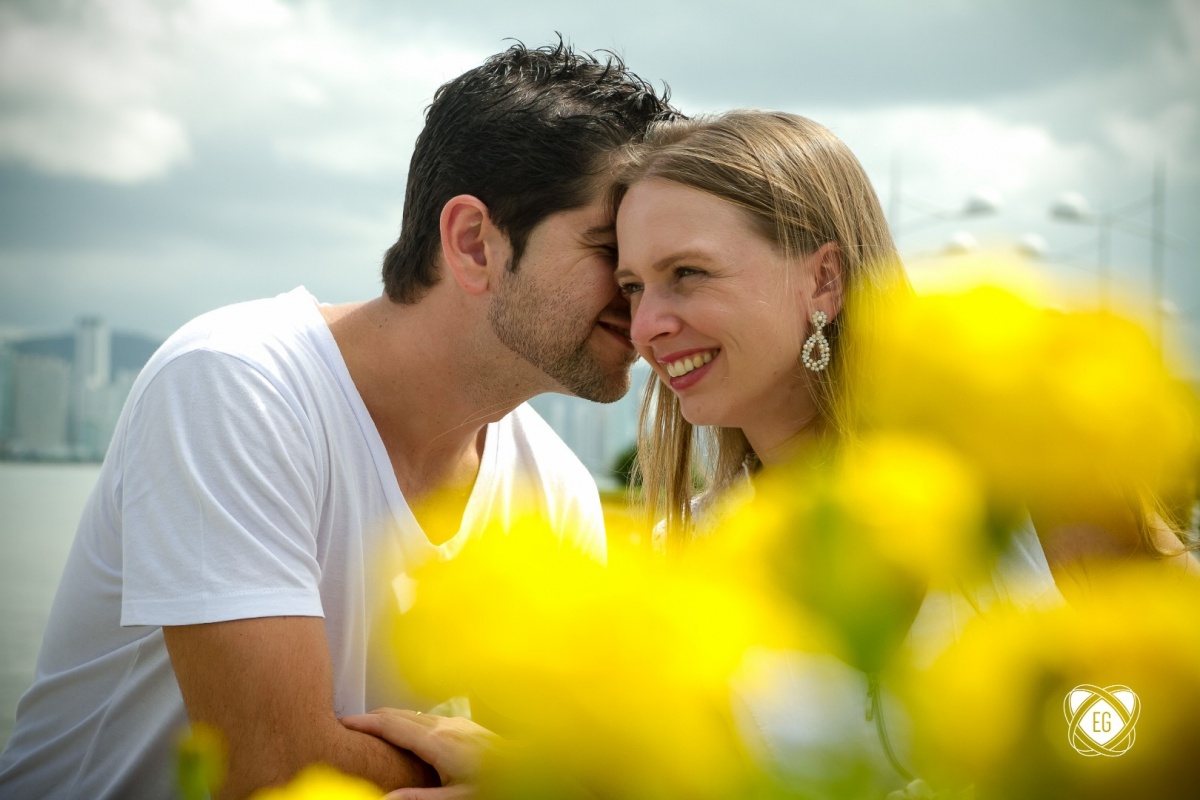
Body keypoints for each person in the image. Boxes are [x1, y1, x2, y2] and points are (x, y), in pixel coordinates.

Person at [0, 41, 678, 799]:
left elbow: (556, 764)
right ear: (472, 243)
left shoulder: (554, 487)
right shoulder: (236, 384)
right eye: (611, 249)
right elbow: (269, 775)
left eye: (664, 266)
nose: (645, 296)